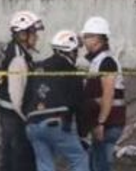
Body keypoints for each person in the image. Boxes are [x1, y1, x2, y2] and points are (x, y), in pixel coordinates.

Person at [24, 30, 88, 171]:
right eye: (76, 51)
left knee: (44, 164)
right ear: (70, 51)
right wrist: (83, 135)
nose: (76, 55)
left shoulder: (37, 68)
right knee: (79, 158)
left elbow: (27, 95)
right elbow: (79, 104)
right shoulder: (72, 72)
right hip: (56, 121)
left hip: (32, 123)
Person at [0, 10, 43, 171]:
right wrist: (27, 118)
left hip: (6, 113)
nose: (36, 37)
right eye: (33, 33)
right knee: (21, 158)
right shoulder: (18, 57)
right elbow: (17, 95)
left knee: (8, 157)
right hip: (14, 115)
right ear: (22, 34)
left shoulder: (11, 49)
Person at [81, 17, 125, 171]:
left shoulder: (106, 61)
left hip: (109, 122)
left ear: (97, 38)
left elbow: (108, 94)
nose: (84, 41)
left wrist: (101, 122)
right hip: (104, 121)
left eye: (86, 36)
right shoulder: (97, 61)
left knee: (101, 163)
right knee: (96, 161)